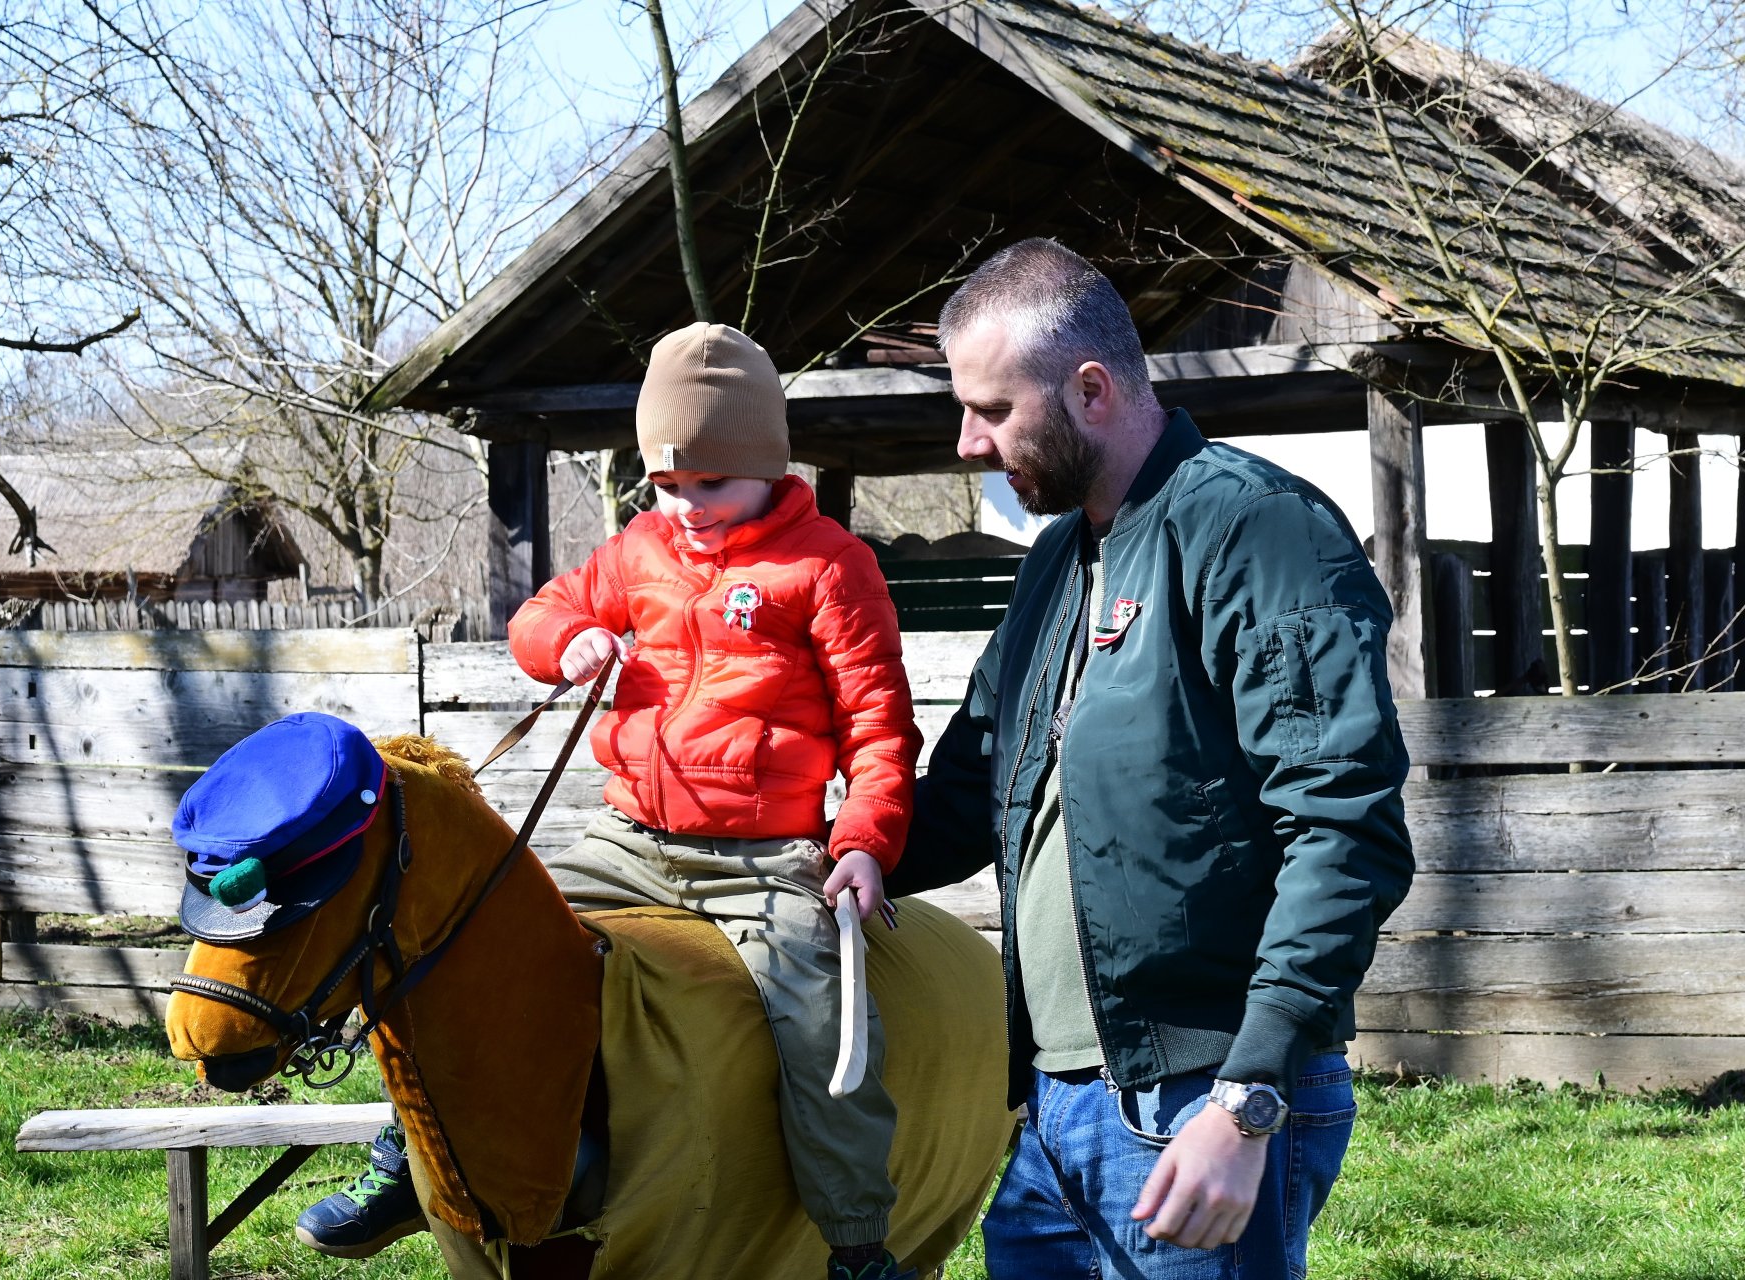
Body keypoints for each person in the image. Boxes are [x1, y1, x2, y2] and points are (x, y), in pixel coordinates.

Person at [298, 321, 923, 1280]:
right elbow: (538, 616)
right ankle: (405, 1157)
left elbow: (879, 727)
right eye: (667, 486)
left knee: (819, 1016)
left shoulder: (829, 567)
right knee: (467, 933)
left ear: (767, 462)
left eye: (708, 483)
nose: (686, 507)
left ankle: (856, 1239)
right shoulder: (636, 552)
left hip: (761, 864)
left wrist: (864, 843)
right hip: (625, 837)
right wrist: (569, 645)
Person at [884, 238, 1415, 1280]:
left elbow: (1345, 828)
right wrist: (815, 848)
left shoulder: (1256, 530)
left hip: (1205, 1099)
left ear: (1090, 389)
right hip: (1052, 1110)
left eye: (992, 410)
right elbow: (960, 795)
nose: (967, 444)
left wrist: (1250, 1099)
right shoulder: (1053, 564)